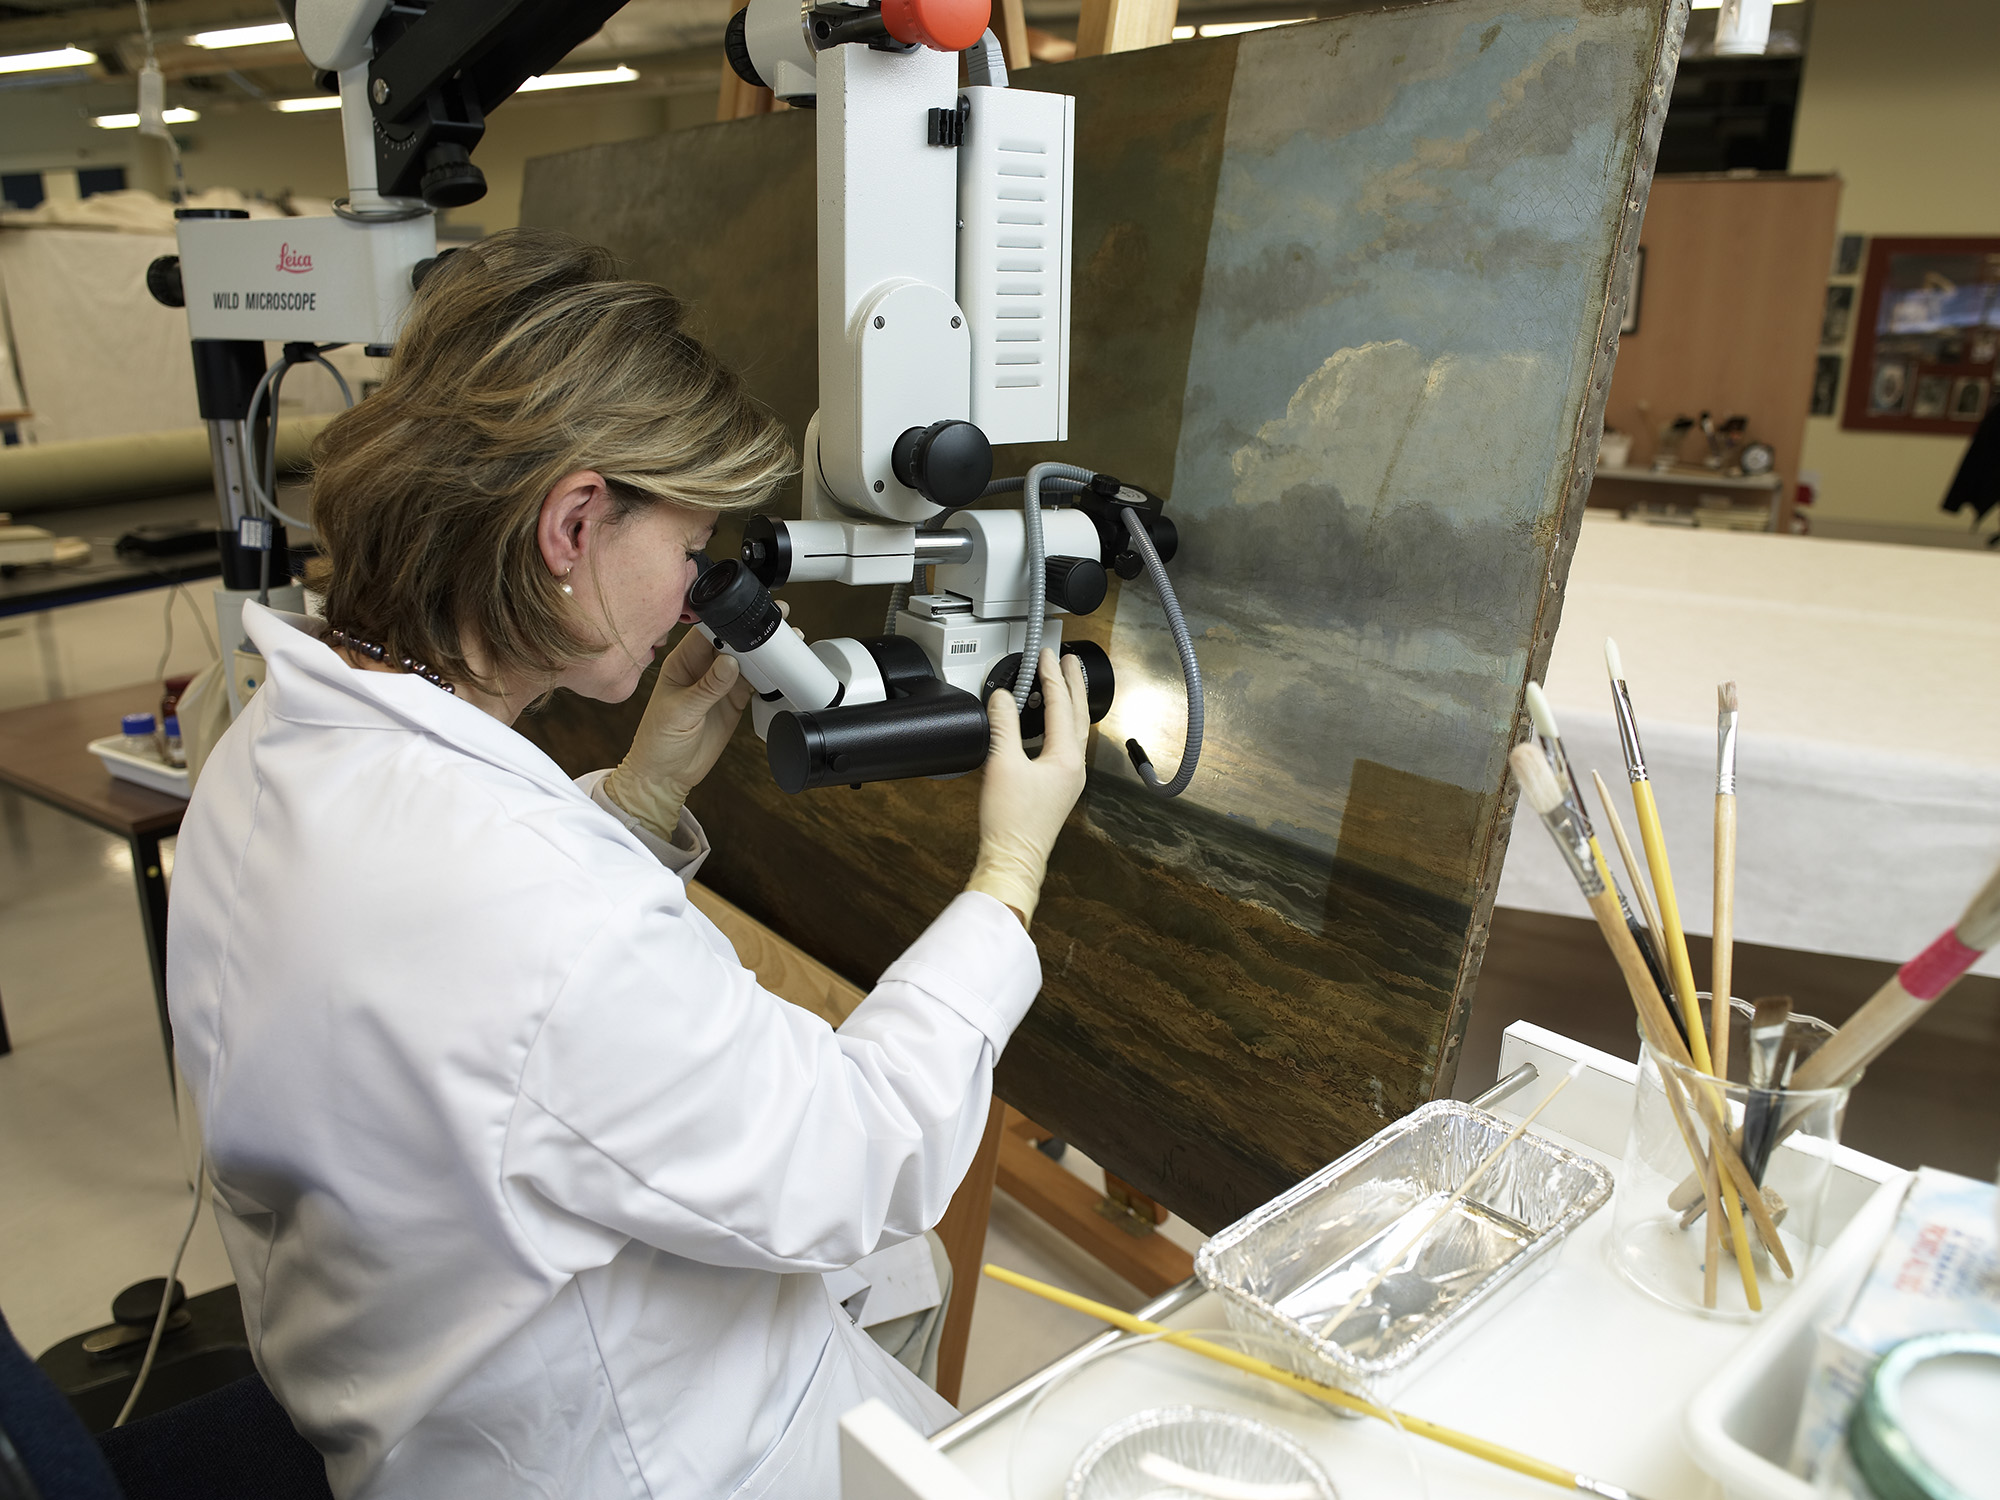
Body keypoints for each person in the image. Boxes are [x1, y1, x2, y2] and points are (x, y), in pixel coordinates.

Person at [165, 229, 1092, 1500]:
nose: (688, 594)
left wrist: (644, 792)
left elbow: (493, 1025)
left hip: (399, 1368)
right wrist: (1009, 872)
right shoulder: (530, 906)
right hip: (623, 1456)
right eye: (687, 547)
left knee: (900, 1285)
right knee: (912, 1290)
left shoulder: (267, 744)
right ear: (573, 523)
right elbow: (858, 1158)